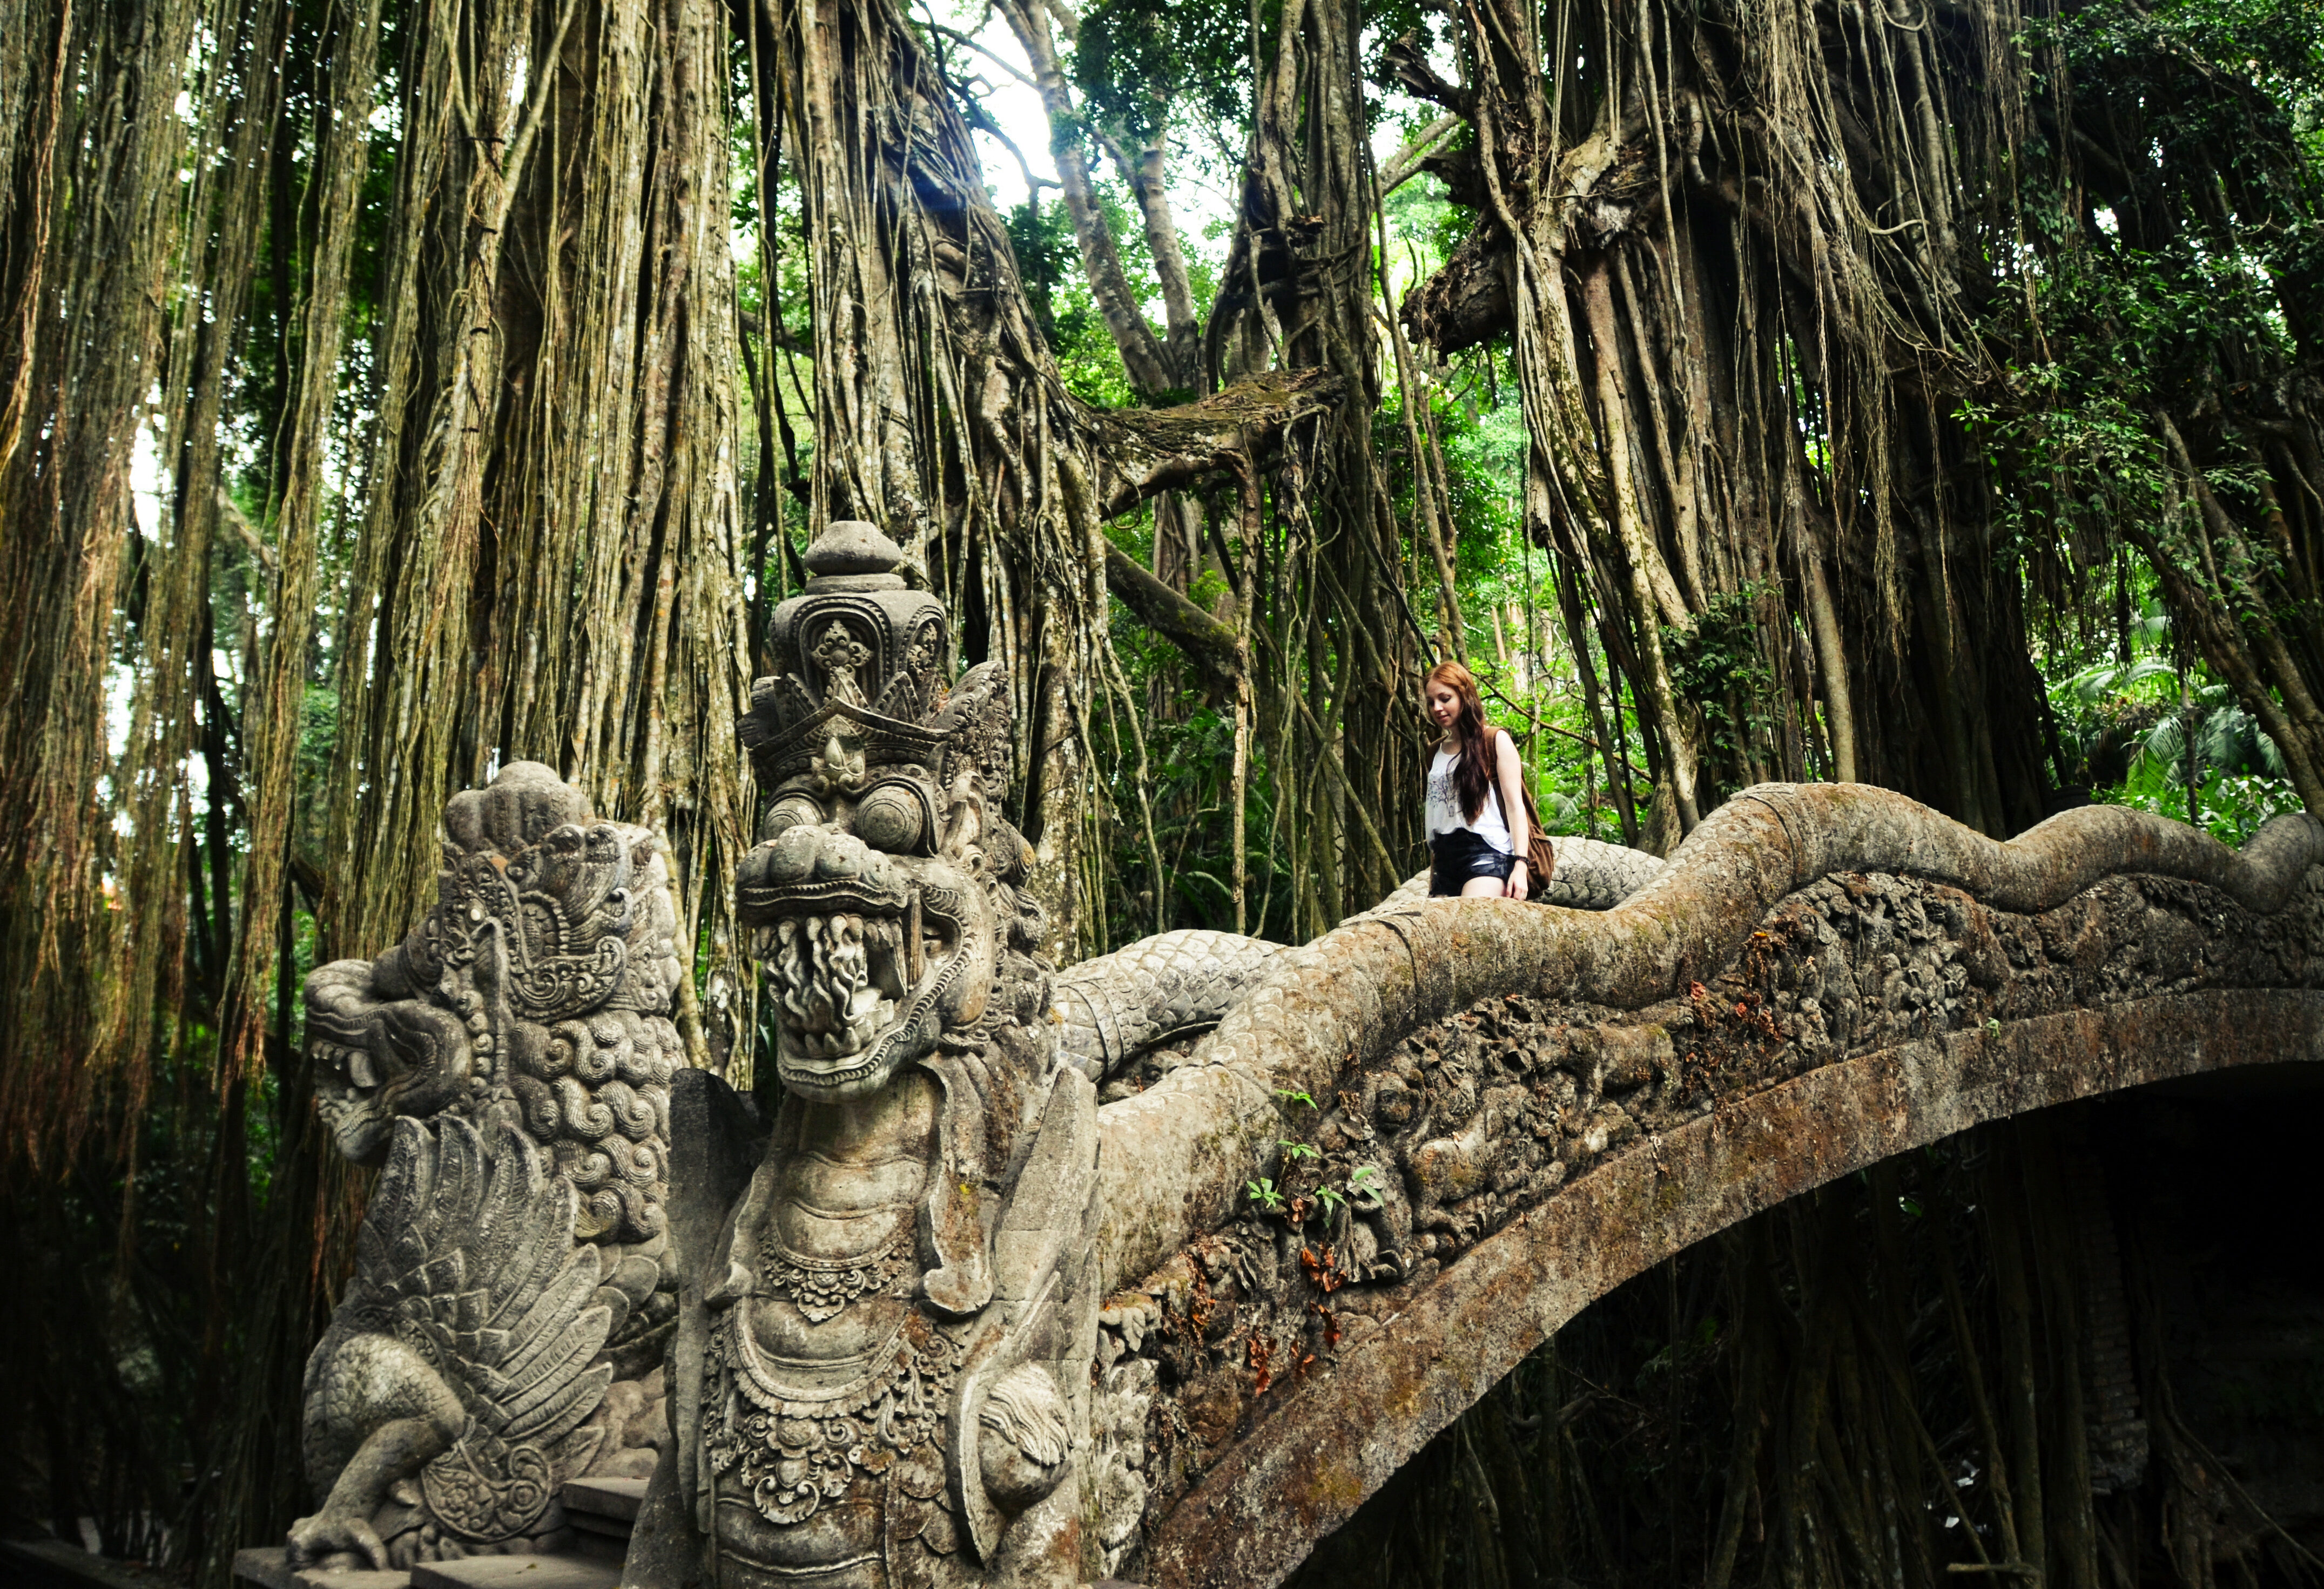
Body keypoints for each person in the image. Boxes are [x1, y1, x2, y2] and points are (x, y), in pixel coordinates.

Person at [1423, 659, 1531, 900]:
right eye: (1431, 703)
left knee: (1470, 924)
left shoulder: (1495, 741)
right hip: (1445, 860)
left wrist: (1520, 866)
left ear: (1464, 695)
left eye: (1445, 698)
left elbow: (1515, 808)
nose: (1437, 708)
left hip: (1487, 854)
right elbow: (1439, 817)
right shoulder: (1434, 752)